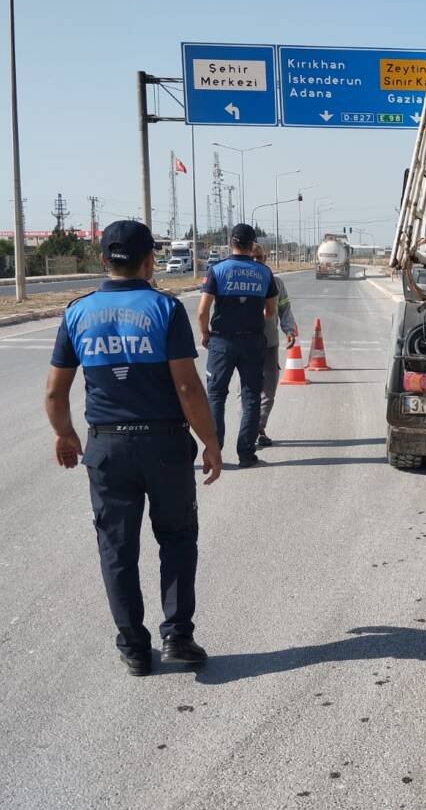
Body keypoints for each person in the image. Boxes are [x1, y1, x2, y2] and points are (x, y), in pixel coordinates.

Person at [45, 221, 221, 677]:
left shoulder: (77, 312)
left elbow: (54, 392)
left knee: (117, 548)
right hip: (163, 443)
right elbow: (186, 385)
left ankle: (135, 650)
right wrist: (211, 442)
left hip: (107, 447)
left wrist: (65, 433)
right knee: (178, 538)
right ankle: (178, 637)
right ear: (150, 261)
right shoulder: (165, 308)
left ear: (104, 258)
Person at [197, 223, 278, 467]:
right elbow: (271, 311)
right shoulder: (264, 273)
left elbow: (202, 311)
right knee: (252, 396)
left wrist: (205, 334)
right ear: (252, 244)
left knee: (216, 396)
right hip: (253, 341)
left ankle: (215, 451)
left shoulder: (217, 270)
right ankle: (246, 454)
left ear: (230, 241)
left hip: (221, 341)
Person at [252, 243, 298, 447]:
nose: (256, 262)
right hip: (245, 346)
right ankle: (249, 431)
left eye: (259, 258)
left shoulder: (276, 283)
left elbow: (284, 308)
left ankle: (258, 427)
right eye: (252, 258)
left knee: (268, 392)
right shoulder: (239, 283)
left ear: (265, 258)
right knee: (246, 391)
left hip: (270, 344)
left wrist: (289, 330)